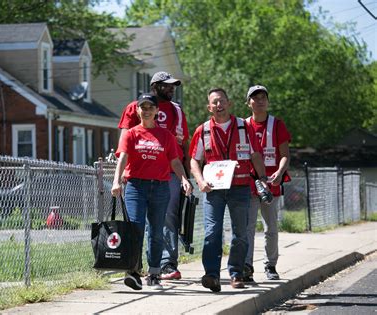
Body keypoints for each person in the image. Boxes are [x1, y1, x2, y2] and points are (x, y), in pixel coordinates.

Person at [189, 87, 268, 292]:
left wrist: (263, 179)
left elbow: (256, 155)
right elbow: (194, 161)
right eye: (214, 102)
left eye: (222, 100)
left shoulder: (243, 127)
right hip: (213, 190)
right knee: (212, 233)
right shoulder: (203, 130)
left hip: (240, 188)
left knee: (240, 233)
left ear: (229, 103)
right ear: (209, 107)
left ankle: (236, 273)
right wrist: (199, 181)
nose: (219, 105)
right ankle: (212, 275)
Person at [112, 93, 192, 291]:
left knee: (156, 232)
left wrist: (183, 178)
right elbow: (123, 159)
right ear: (138, 110)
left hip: (160, 187)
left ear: (157, 111)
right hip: (135, 187)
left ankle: (154, 273)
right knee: (136, 229)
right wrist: (116, 182)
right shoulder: (131, 134)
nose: (146, 110)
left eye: (150, 107)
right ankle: (133, 271)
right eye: (143, 107)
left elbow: (175, 161)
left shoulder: (166, 136)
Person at [244, 85, 291, 282]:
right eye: (255, 98)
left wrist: (280, 173)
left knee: (270, 227)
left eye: (263, 97)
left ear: (268, 101)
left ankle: (270, 265)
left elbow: (285, 155)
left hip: (271, 183)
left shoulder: (277, 124)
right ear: (248, 103)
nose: (260, 101)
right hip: (249, 183)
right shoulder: (242, 125)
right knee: (247, 228)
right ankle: (246, 267)